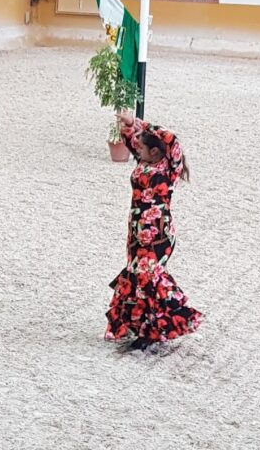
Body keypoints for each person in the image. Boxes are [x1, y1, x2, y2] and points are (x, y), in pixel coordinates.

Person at [105, 111, 202, 351]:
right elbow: (133, 140)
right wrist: (130, 124)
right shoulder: (144, 162)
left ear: (156, 151)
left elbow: (170, 139)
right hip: (137, 229)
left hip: (158, 233)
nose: (137, 149)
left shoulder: (169, 169)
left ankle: (155, 330)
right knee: (136, 275)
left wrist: (142, 125)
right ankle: (140, 327)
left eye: (143, 147)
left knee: (150, 277)